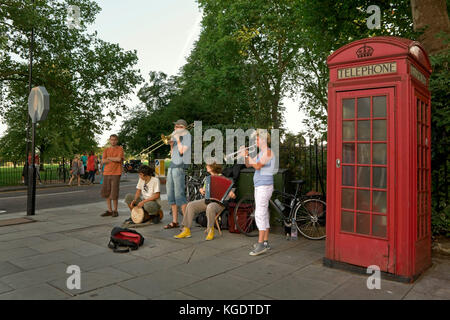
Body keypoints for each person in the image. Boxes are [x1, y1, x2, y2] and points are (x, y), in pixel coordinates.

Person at [174, 160, 235, 240]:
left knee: (210, 206)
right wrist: (202, 190)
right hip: (208, 200)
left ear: (212, 167)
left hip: (219, 204)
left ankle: (210, 230)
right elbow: (205, 189)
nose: (206, 166)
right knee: (190, 205)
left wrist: (232, 194)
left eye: (207, 165)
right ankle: (186, 229)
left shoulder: (224, 178)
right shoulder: (208, 179)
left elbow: (232, 194)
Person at [242, 129, 275, 256]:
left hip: (264, 186)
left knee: (260, 215)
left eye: (257, 139)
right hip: (260, 186)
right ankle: (265, 242)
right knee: (264, 214)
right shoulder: (261, 152)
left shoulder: (268, 152)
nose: (255, 141)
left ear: (263, 139)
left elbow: (257, 166)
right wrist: (245, 155)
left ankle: (260, 244)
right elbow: (248, 165)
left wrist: (249, 156)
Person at [164, 119, 191, 229]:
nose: (174, 128)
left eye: (176, 127)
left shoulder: (187, 136)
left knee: (180, 195)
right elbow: (173, 154)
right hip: (172, 166)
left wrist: (178, 140)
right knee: (171, 195)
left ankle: (186, 224)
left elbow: (182, 152)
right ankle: (175, 221)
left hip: (180, 167)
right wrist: (171, 144)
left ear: (182, 127)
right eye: (174, 126)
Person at [100, 134, 124, 217]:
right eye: (111, 140)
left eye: (114, 140)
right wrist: (112, 159)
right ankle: (109, 210)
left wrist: (109, 158)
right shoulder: (106, 149)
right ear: (109, 140)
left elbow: (119, 159)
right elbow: (103, 161)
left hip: (116, 173)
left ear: (117, 141)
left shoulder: (120, 149)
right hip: (106, 173)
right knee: (107, 192)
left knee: (114, 192)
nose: (113, 141)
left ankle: (115, 210)